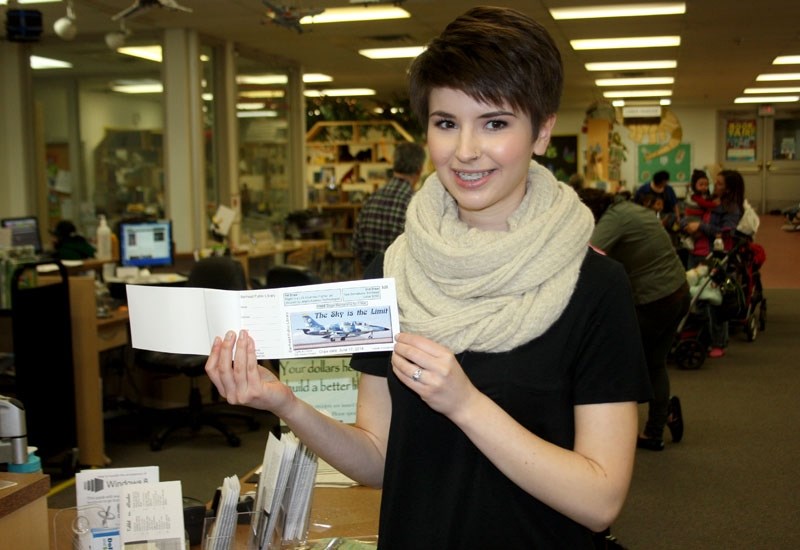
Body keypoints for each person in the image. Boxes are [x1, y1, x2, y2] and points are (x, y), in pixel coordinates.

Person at [205, 7, 651, 548]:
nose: (465, 151)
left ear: (542, 131)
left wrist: (465, 404)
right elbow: (377, 459)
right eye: (446, 123)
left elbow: (599, 502)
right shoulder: (395, 272)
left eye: (495, 122)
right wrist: (286, 404)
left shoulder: (594, 286)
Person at [580, 188, 690, 452]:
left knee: (608, 360)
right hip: (678, 293)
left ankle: (606, 436)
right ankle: (656, 428)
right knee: (655, 363)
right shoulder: (630, 209)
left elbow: (586, 254)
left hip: (654, 301)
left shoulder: (613, 220)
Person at [683, 169, 745, 357]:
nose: (714, 186)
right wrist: (689, 223)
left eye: (719, 184)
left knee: (713, 298)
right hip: (696, 252)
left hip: (716, 256)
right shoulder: (708, 201)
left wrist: (700, 226)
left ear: (728, 188)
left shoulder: (731, 208)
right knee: (693, 295)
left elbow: (725, 232)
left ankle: (719, 341)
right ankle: (699, 335)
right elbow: (691, 214)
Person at [351, 141, 426, 269]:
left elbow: (356, 246)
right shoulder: (416, 204)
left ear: (394, 164)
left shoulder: (371, 199)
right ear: (419, 170)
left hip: (371, 280)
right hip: (400, 282)